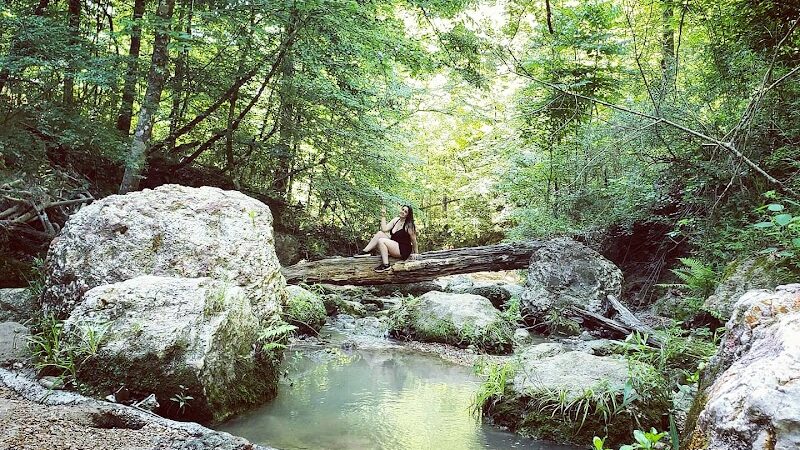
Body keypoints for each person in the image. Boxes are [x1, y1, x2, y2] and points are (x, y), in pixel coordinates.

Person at [354, 204, 419, 272]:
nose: (403, 212)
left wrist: (416, 253)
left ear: (408, 215)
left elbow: (414, 240)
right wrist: (383, 216)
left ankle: (386, 265)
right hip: (394, 244)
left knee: (381, 241)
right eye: (402, 210)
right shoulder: (396, 220)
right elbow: (384, 229)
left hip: (403, 249)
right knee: (380, 234)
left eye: (405, 212)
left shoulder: (409, 225)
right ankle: (365, 251)